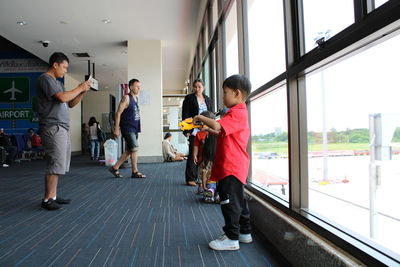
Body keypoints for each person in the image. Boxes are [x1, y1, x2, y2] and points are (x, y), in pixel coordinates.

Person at [193, 74, 252, 251]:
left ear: (237, 93)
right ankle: (244, 232)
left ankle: (231, 238)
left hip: (231, 166)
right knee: (238, 200)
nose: (223, 96)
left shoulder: (238, 112)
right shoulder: (237, 113)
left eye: (225, 92)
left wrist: (201, 118)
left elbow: (219, 126)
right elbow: (222, 132)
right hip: (235, 165)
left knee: (228, 202)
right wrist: (208, 129)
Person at [37, 52, 91, 210]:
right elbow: (62, 98)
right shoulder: (45, 79)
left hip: (61, 127)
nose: (65, 71)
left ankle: (52, 195)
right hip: (52, 126)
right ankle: (47, 199)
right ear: (55, 65)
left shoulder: (58, 83)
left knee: (59, 163)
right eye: (64, 67)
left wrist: (82, 92)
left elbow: (70, 103)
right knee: (55, 163)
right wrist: (78, 87)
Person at [109, 78, 146, 178]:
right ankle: (134, 171)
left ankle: (115, 167)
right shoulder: (126, 98)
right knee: (134, 148)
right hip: (127, 128)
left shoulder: (136, 99)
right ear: (130, 87)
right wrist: (116, 128)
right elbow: (118, 113)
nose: (139, 88)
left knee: (130, 150)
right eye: (137, 86)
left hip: (134, 128)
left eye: (139, 86)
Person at [182, 79, 213, 186]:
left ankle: (205, 176)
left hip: (206, 129)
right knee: (192, 153)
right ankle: (190, 178)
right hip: (194, 129)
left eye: (199, 87)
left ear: (203, 87)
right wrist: (186, 130)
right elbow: (185, 114)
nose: (197, 89)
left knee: (205, 153)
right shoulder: (189, 98)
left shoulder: (207, 99)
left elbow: (211, 114)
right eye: (195, 86)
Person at [193, 111, 216, 195]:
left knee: (210, 172)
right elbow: (196, 146)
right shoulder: (199, 134)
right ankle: (200, 186)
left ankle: (209, 186)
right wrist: (194, 155)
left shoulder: (213, 133)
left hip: (212, 156)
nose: (200, 126)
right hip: (202, 157)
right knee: (201, 171)